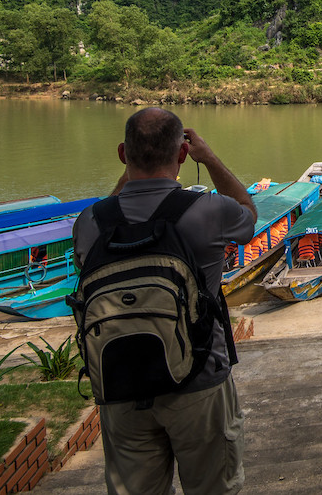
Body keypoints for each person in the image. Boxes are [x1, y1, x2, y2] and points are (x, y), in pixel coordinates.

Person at [72, 107, 256, 495]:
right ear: (183, 155)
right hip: (199, 379)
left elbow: (107, 217)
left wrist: (130, 172)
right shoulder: (208, 211)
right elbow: (249, 215)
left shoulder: (90, 222)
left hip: (121, 384)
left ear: (123, 154)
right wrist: (211, 159)